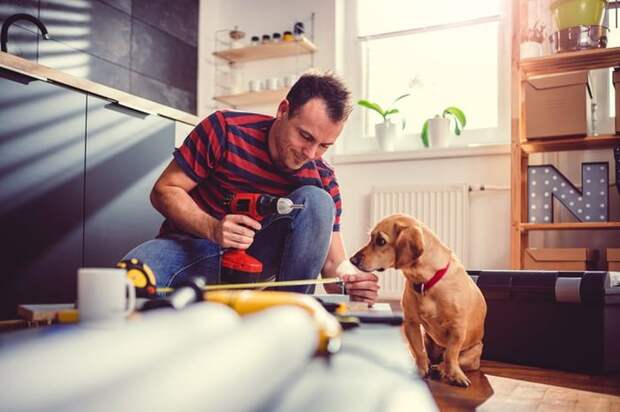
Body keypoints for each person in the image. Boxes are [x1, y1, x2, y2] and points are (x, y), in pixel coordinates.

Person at [122, 70, 379, 305]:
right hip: (189, 248)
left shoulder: (322, 176)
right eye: (305, 136)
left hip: (255, 263)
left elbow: (334, 262)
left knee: (317, 200)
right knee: (127, 282)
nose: (310, 153)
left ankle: (287, 312)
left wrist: (350, 282)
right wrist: (212, 228)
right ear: (283, 110)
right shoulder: (225, 129)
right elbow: (165, 189)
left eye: (324, 145)